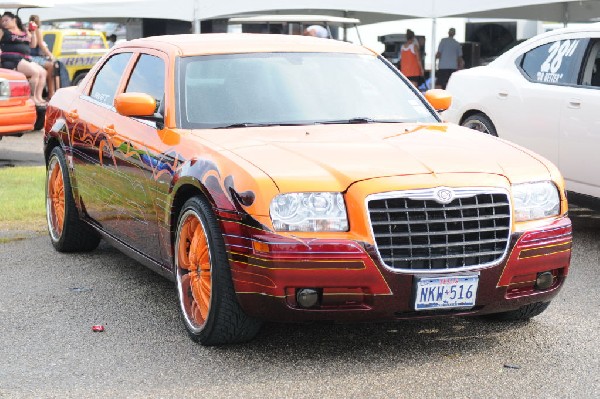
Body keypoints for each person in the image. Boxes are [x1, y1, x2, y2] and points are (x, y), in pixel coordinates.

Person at [0, 12, 47, 106]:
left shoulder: (24, 31)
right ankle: (32, 97)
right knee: (34, 72)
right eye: (2, 21)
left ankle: (38, 97)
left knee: (43, 72)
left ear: (14, 20)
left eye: (6, 20)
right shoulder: (3, 32)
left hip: (25, 58)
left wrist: (33, 32)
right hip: (11, 58)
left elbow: (33, 45)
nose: (4, 23)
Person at [28, 14, 56, 99]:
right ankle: (51, 92)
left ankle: (48, 92)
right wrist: (51, 55)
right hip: (33, 57)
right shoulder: (37, 30)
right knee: (51, 66)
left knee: (47, 68)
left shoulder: (27, 30)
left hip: (29, 56)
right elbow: (41, 45)